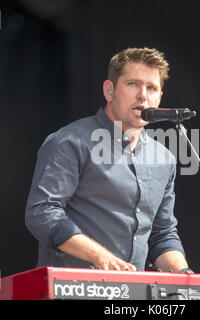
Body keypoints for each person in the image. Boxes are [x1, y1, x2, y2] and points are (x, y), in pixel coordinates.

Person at [25, 47, 191, 273]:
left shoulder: (164, 158)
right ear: (109, 90)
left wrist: (184, 277)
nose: (143, 95)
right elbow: (42, 212)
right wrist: (100, 256)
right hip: (75, 289)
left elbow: (162, 234)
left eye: (151, 88)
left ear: (159, 98)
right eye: (133, 84)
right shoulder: (71, 142)